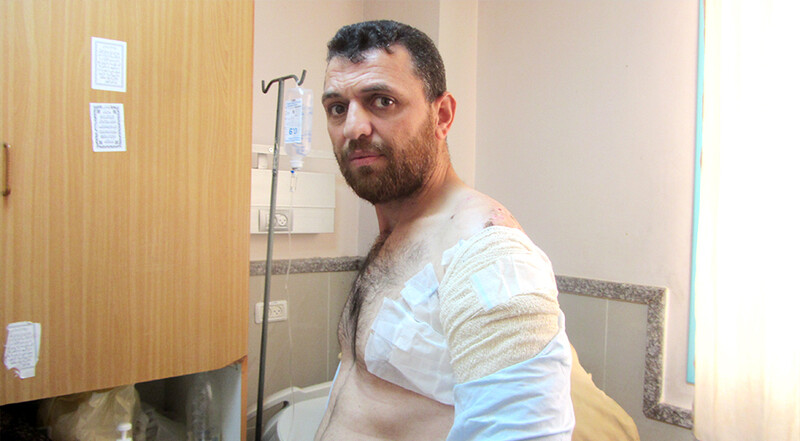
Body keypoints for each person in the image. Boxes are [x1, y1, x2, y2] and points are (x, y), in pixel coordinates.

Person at [316, 20, 639, 441]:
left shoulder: (487, 251)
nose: (353, 128)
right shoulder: (396, 234)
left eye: (381, 101)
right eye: (337, 108)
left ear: (443, 115)